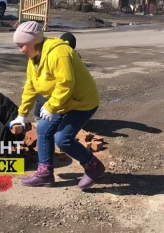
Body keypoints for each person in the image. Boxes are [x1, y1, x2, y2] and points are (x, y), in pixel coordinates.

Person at [9, 21, 103, 189]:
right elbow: (31, 86)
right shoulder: (34, 59)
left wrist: (51, 106)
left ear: (33, 43)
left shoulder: (58, 53)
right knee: (43, 129)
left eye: (21, 45)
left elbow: (66, 83)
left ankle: (94, 166)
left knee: (63, 139)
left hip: (82, 102)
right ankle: (45, 173)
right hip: (62, 101)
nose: (20, 50)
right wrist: (21, 114)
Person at [33, 32, 81, 120]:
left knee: (43, 98)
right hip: (68, 92)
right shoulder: (74, 56)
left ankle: (38, 116)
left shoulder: (60, 55)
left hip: (61, 91)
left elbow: (66, 82)